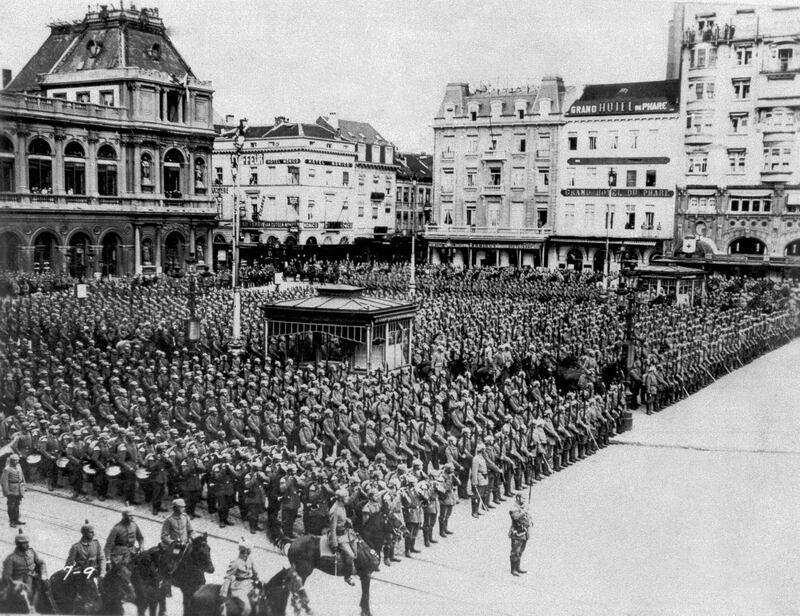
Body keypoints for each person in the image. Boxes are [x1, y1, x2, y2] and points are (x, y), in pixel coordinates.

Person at [1, 531, 47, 606]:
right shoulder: (11, 559)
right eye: (25, 543)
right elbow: (6, 578)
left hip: (34, 582)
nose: (27, 545)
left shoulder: (32, 552)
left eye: (27, 542)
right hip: (19, 588)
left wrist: (44, 575)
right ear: (19, 544)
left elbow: (41, 563)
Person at [220, 539, 259, 616]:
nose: (245, 554)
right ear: (240, 551)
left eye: (248, 552)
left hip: (249, 584)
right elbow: (228, 577)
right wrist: (223, 593)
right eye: (243, 552)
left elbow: (255, 573)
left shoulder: (250, 559)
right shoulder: (235, 563)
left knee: (260, 600)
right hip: (239, 587)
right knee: (247, 608)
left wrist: (257, 580)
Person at [65, 520, 105, 594]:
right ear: (85, 533)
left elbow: (102, 559)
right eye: (91, 532)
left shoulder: (96, 543)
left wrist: (102, 573)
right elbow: (69, 564)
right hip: (81, 575)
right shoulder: (76, 547)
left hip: (95, 572)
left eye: (93, 532)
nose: (94, 534)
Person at [328, 487, 355, 586]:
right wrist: (334, 542)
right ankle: (347, 576)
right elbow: (333, 528)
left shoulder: (341, 506)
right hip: (338, 536)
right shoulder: (334, 510)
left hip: (344, 532)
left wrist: (347, 519)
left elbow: (341, 518)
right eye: (345, 496)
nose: (347, 498)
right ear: (340, 498)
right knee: (350, 555)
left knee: (357, 546)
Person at [508, 493, 532, 576]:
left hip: (523, 531)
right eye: (523, 498)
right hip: (516, 533)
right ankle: (513, 569)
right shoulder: (514, 508)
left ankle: (518, 567)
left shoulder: (523, 507)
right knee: (515, 551)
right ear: (518, 498)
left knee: (520, 551)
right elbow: (515, 517)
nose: (524, 501)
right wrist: (524, 511)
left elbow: (527, 518)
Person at [1, 454, 26, 528]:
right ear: (11, 461)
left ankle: (17, 519)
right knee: (11, 506)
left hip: (19, 489)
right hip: (11, 490)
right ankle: (12, 521)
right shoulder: (7, 469)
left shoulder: (18, 466)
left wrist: (24, 486)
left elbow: (22, 476)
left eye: (17, 460)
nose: (17, 461)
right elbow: (4, 482)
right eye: (15, 460)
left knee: (17, 505)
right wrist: (6, 492)